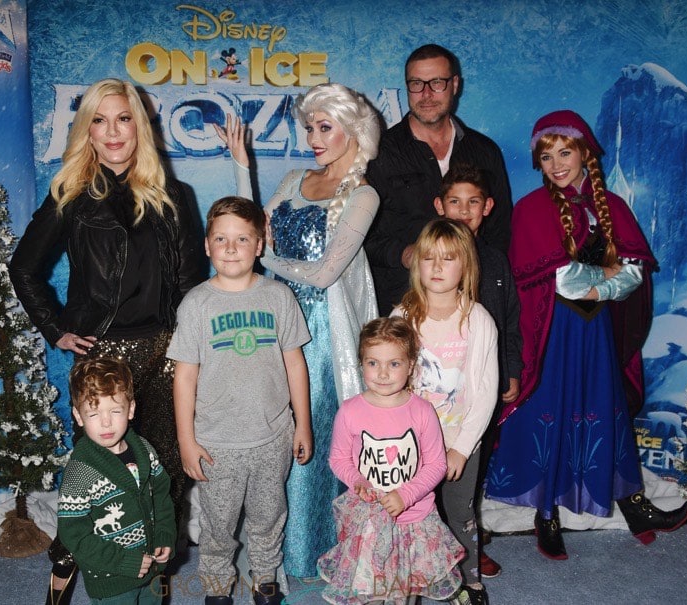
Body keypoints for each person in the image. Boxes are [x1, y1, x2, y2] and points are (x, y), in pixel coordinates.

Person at [9, 78, 203, 604]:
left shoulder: (173, 196)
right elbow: (24, 268)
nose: (114, 131)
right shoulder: (70, 194)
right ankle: (63, 574)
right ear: (87, 130)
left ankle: (156, 571)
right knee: (94, 480)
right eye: (101, 119)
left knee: (160, 477)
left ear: (140, 126)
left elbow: (190, 285)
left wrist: (190, 352)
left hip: (165, 354)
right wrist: (57, 330)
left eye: (124, 118)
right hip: (102, 357)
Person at [484, 110, 687, 560]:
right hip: (553, 331)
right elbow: (555, 279)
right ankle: (546, 514)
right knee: (553, 410)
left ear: (584, 153)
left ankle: (633, 504)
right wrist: (603, 275)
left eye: (565, 152)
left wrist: (603, 282)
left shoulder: (612, 207)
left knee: (604, 408)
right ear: (538, 162)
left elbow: (634, 272)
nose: (557, 164)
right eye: (546, 156)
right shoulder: (531, 210)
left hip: (597, 331)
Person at [215, 82, 381, 577]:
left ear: (352, 131)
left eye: (324, 126)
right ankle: (272, 553)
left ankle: (310, 554)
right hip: (274, 323)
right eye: (309, 126)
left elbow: (326, 273)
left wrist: (262, 258)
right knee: (270, 434)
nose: (312, 136)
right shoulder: (292, 178)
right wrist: (242, 168)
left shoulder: (364, 194)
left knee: (313, 435)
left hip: (324, 336)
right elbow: (252, 231)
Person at [167, 196, 312, 605]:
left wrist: (303, 423)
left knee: (269, 517)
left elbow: (295, 364)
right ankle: (217, 588)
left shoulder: (279, 298)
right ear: (207, 245)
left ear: (260, 244)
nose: (231, 248)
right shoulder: (196, 303)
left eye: (242, 239)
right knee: (218, 525)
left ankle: (265, 579)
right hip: (217, 444)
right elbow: (185, 375)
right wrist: (185, 439)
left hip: (272, 438)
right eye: (222, 239)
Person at [318, 317, 464, 605]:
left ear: (410, 366)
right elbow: (338, 458)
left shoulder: (422, 411)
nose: (382, 373)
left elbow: (436, 464)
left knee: (405, 590)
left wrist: (405, 495)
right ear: (361, 364)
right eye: (373, 363)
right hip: (369, 520)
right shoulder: (350, 411)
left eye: (394, 364)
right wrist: (358, 481)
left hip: (414, 519)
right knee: (371, 588)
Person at [392, 219, 498, 605]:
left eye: (448, 259)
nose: (437, 267)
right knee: (413, 517)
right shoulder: (402, 318)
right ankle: (411, 581)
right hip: (410, 447)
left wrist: (462, 447)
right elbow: (388, 383)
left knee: (459, 513)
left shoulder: (478, 321)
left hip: (457, 444)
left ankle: (470, 583)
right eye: (429, 258)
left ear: (465, 268)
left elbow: (485, 394)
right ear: (416, 263)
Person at [366, 44, 512, 316]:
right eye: (416, 84)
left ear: (455, 84)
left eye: (437, 83)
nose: (426, 94)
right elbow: (362, 236)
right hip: (401, 304)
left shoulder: (485, 152)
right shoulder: (378, 153)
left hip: (473, 303)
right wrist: (405, 254)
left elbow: (501, 229)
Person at [433, 162, 522, 579]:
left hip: (476, 394)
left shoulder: (496, 263)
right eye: (455, 201)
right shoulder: (428, 261)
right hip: (432, 399)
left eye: (472, 202)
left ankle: (467, 547)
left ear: (486, 207)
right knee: (426, 486)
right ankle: (431, 550)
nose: (464, 210)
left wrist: (512, 368)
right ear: (439, 206)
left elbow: (509, 322)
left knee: (468, 471)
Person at [57, 356, 175, 605]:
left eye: (115, 410)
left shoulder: (145, 449)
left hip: (152, 571)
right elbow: (74, 536)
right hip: (112, 579)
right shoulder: (80, 474)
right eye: (93, 413)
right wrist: (123, 561)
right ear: (78, 416)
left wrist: (165, 535)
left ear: (130, 409)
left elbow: (162, 498)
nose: (106, 422)